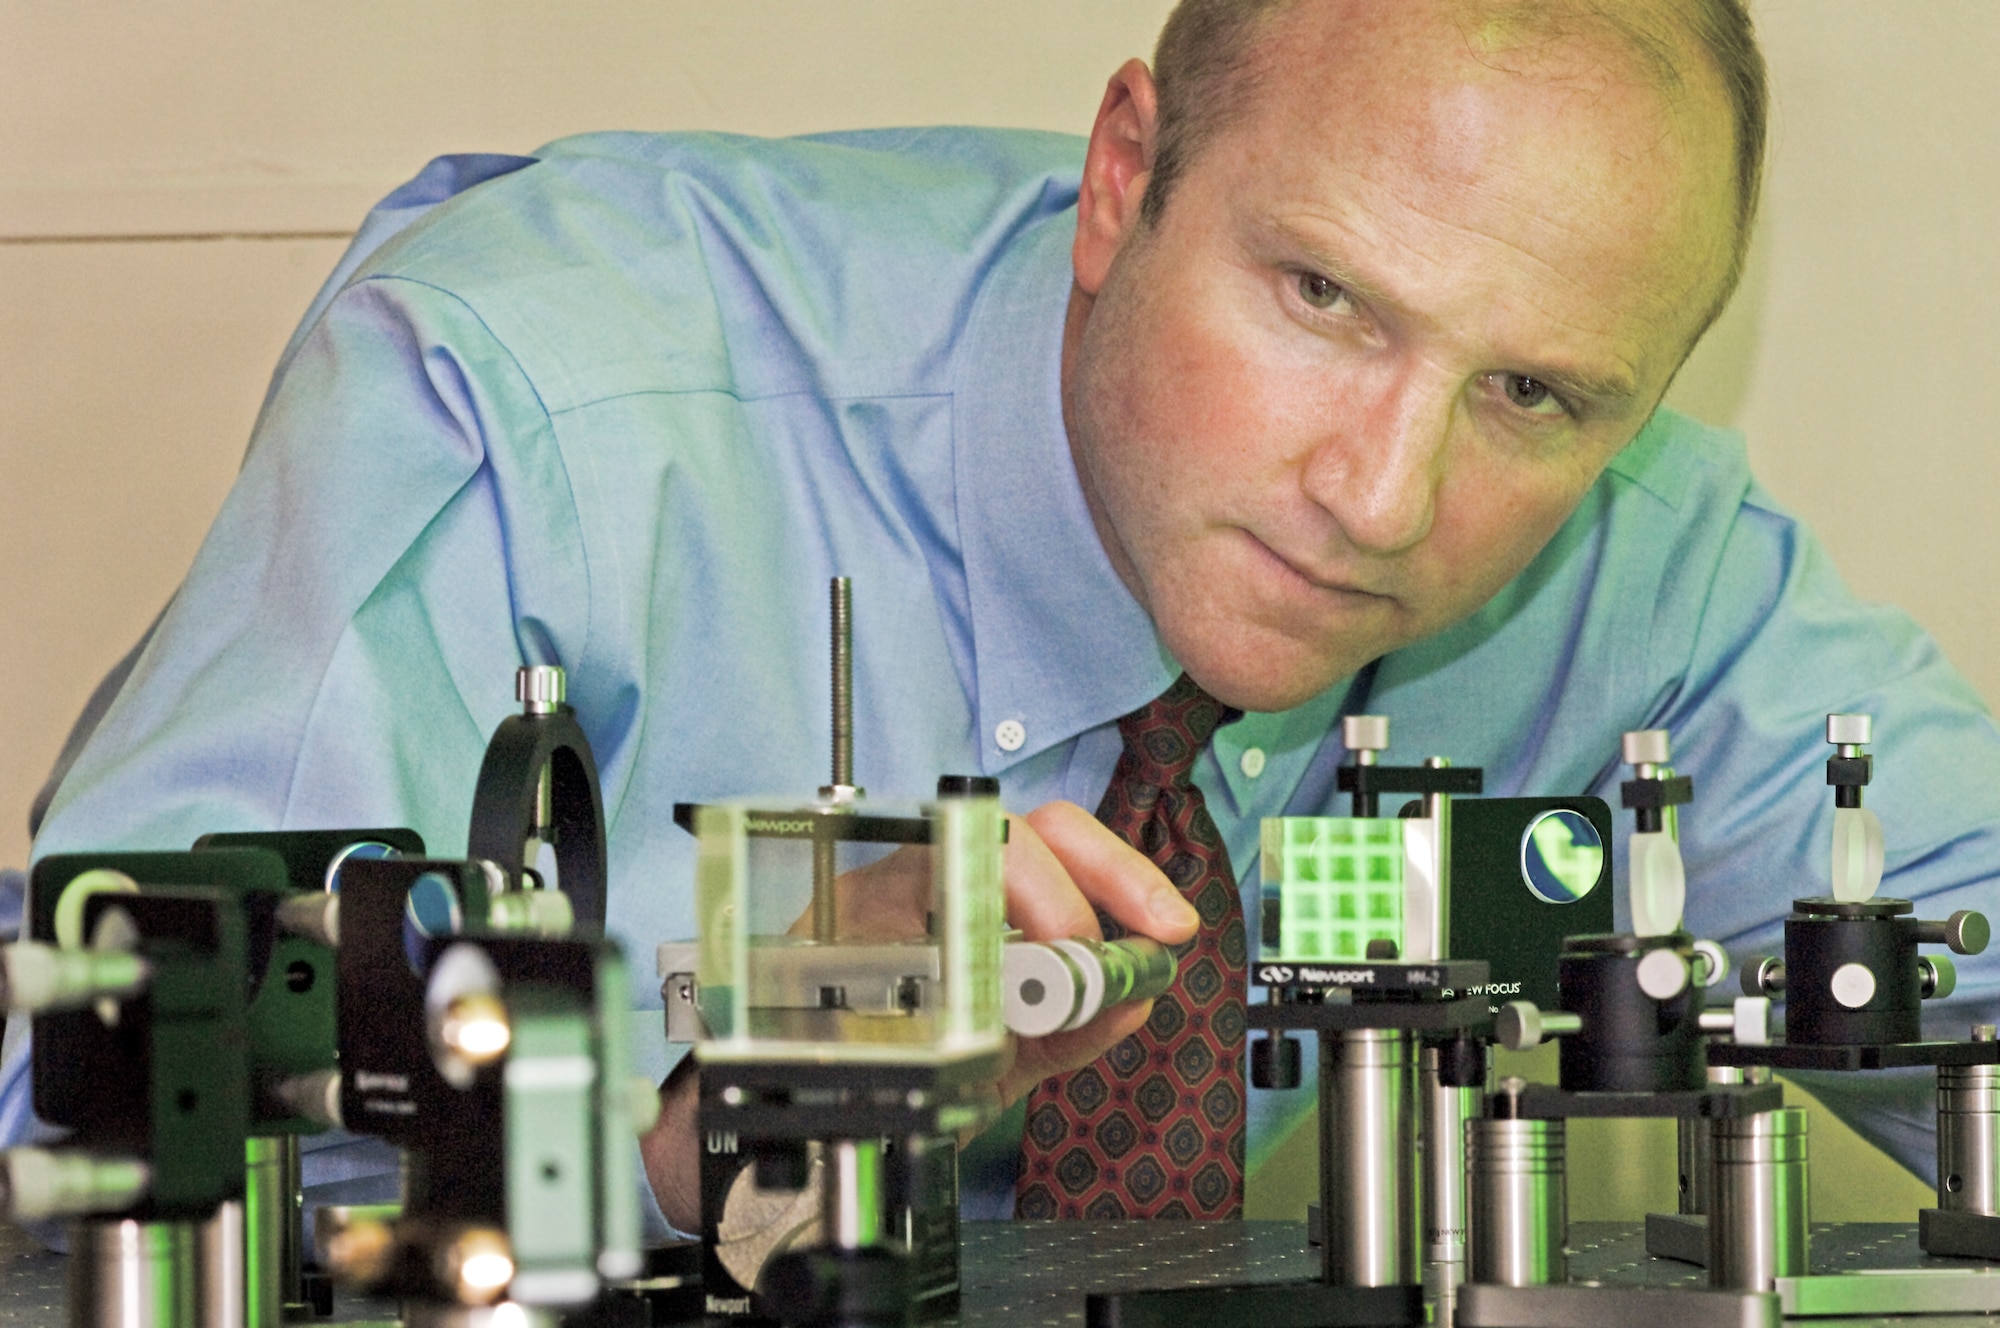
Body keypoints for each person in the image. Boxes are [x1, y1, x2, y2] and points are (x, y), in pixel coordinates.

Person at [14, 0, 2000, 1238]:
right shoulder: (546, 398)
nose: (1385, 496)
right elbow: (71, 1119)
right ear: (1122, 177)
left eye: (1536, 395)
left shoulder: (1641, 540)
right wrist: (704, 1127)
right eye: (1322, 299)